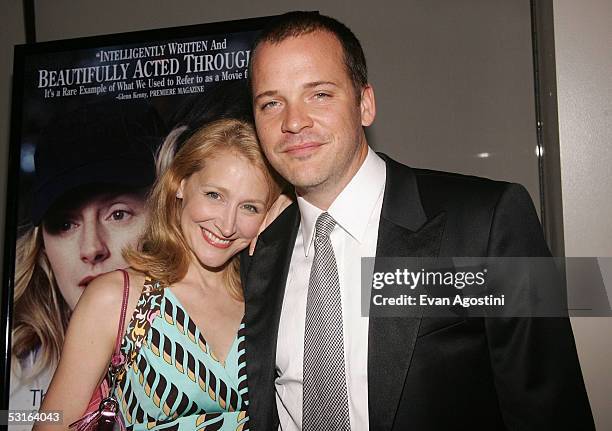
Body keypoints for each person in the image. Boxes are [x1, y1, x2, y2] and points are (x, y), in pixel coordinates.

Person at [242, 11, 595, 430]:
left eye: (319, 94)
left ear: (365, 104)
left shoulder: (489, 220)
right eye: (271, 103)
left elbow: (552, 408)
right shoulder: (258, 251)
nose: (293, 122)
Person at [36, 119, 283, 430]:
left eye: (249, 207)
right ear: (179, 183)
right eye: (214, 195)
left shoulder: (265, 303)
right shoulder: (117, 297)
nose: (227, 224)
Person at [10, 100, 164, 418]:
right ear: (42, 248)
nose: (92, 248)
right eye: (65, 224)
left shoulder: (223, 355)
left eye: (118, 214)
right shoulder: (14, 377)